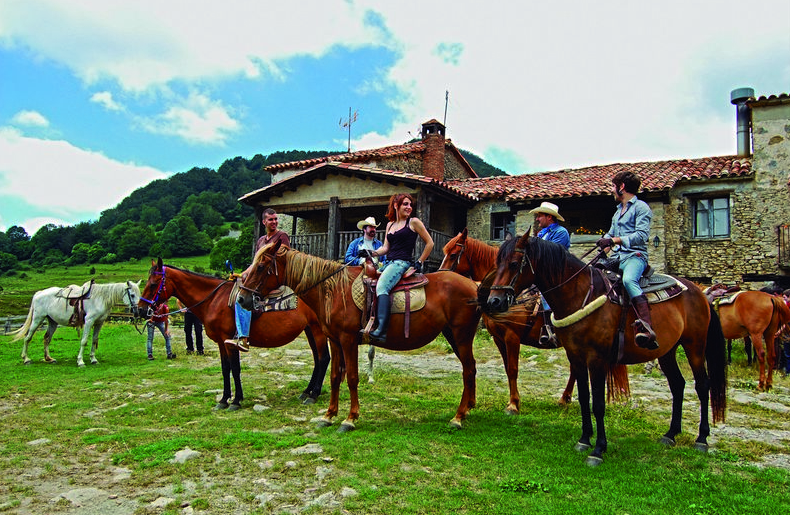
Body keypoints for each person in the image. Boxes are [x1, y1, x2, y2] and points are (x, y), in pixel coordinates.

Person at [596, 171, 658, 350]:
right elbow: (610, 234)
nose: (612, 190)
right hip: (617, 257)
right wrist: (603, 246)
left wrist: (614, 240)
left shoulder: (641, 207)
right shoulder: (617, 212)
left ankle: (646, 327)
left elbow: (641, 235)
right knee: (594, 275)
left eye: (613, 186)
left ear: (621, 187)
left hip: (635, 257)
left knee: (629, 280)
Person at [365, 193, 434, 342]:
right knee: (366, 280)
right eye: (405, 204)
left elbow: (430, 243)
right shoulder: (390, 225)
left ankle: (382, 330)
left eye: (410, 205)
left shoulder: (413, 222)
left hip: (401, 263)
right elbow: (385, 248)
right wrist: (370, 252)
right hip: (388, 263)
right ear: (396, 206)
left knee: (382, 287)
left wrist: (420, 261)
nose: (409, 207)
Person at [225, 208, 291, 352]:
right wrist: (241, 274)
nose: (274, 222)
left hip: (273, 278)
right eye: (270, 219)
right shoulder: (261, 240)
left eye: (275, 219)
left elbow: (284, 259)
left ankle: (243, 338)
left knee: (243, 299)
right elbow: (256, 265)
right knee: (239, 292)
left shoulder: (282, 236)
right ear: (264, 222)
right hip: (261, 276)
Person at [528, 201, 570, 347]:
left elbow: (552, 256)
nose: (537, 219)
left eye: (540, 216)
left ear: (549, 217)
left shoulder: (561, 232)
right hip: (542, 273)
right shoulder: (542, 233)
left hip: (556, 274)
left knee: (547, 294)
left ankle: (550, 329)